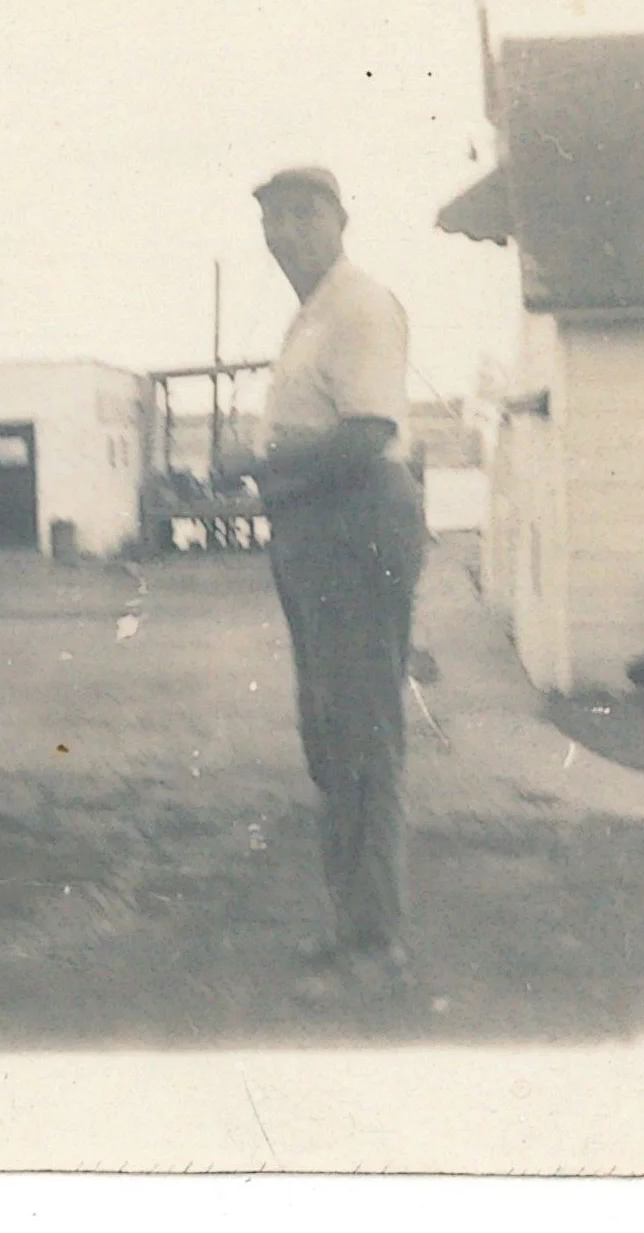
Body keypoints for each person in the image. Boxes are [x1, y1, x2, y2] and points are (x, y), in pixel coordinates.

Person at [221, 166, 426, 996]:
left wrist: (261, 462)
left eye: (305, 213)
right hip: (314, 528)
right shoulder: (309, 316)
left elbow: (369, 430)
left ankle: (375, 946)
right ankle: (349, 926)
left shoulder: (359, 305)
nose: (287, 231)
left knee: (363, 736)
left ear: (341, 220)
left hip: (356, 524)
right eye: (272, 217)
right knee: (328, 733)